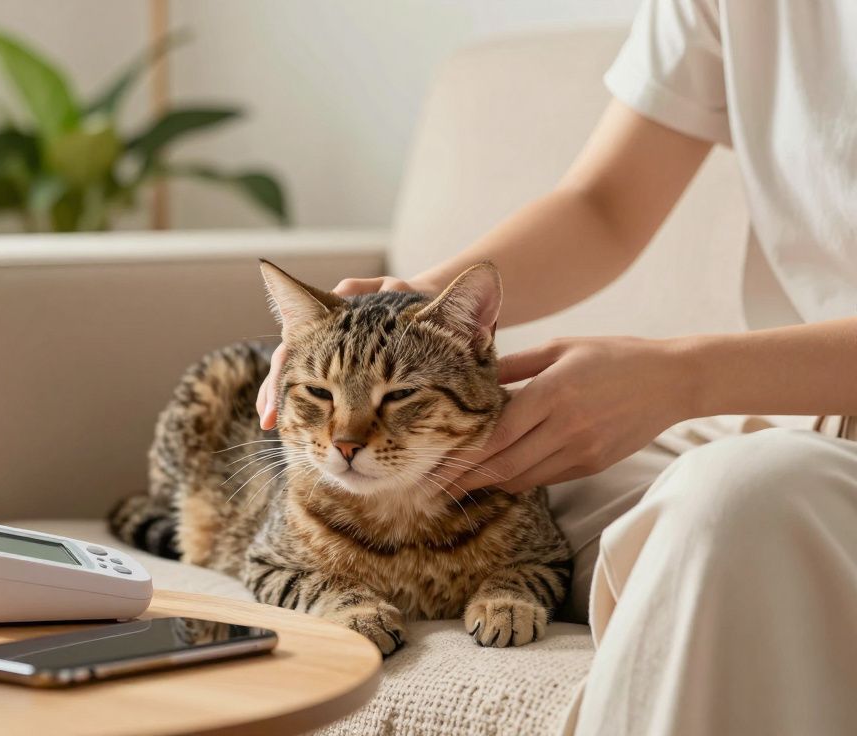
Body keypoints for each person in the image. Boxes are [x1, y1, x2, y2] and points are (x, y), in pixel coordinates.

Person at [256, 1, 857, 733]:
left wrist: (682, 378)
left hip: (766, 423)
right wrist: (418, 306)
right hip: (785, 415)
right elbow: (602, 204)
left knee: (734, 502)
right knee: (522, 484)